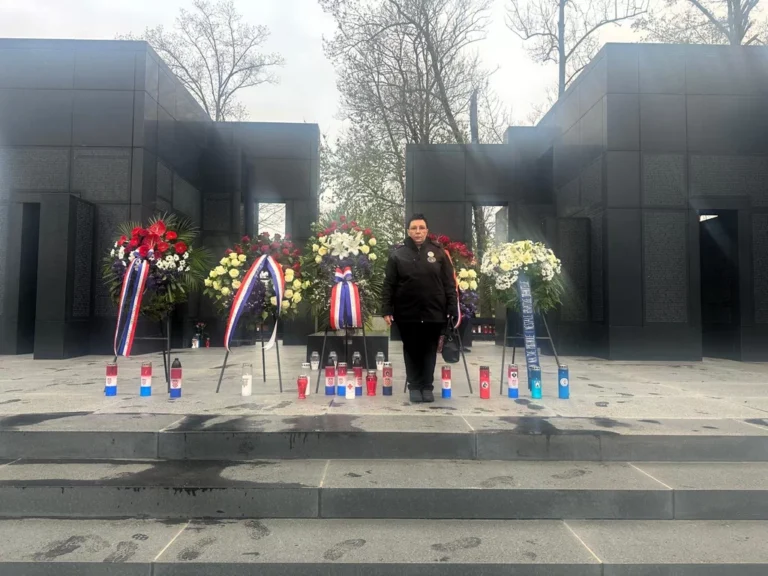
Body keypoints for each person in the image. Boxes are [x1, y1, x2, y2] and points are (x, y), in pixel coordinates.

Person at [382, 214, 457, 403]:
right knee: (411, 349)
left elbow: (449, 283)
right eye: (414, 228)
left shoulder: (439, 253)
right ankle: (414, 386)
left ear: (427, 231)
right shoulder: (397, 255)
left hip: (434, 311)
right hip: (407, 312)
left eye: (421, 228)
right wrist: (387, 309)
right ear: (408, 231)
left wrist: (452, 307)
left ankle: (427, 386)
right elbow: (389, 284)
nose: (418, 231)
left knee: (430, 350)